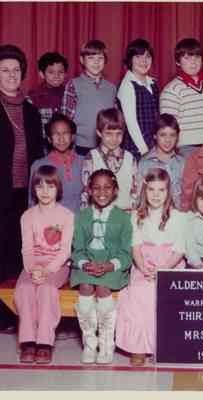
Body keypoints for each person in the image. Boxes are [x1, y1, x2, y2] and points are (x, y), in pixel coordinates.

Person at [115, 168, 186, 366]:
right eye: (151, 190)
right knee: (140, 293)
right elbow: (136, 247)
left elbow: (179, 249)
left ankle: (161, 346)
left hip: (170, 266)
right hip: (145, 266)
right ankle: (138, 347)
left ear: (168, 192)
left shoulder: (178, 217)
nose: (156, 195)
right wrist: (143, 267)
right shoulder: (137, 216)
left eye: (161, 190)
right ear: (144, 191)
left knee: (163, 295)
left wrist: (163, 270)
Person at [71, 169, 132, 364]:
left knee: (103, 288)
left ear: (115, 190)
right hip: (87, 265)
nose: (102, 192)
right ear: (89, 190)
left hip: (113, 267)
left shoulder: (124, 218)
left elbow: (126, 253)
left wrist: (109, 265)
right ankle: (90, 342)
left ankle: (106, 343)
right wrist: (85, 264)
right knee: (86, 286)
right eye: (96, 188)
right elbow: (77, 250)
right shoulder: (81, 216)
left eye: (107, 187)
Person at [14, 165, 74, 364]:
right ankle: (28, 342)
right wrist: (33, 269)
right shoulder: (27, 216)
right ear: (33, 189)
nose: (45, 192)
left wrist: (47, 270)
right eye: (40, 187)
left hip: (58, 265)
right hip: (33, 264)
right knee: (24, 288)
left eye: (50, 186)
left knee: (47, 289)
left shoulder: (67, 216)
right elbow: (27, 249)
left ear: (58, 188)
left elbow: (65, 251)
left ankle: (44, 343)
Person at [0, 44, 43, 295]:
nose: (11, 75)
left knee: (20, 246)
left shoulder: (31, 111)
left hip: (24, 190)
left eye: (16, 70)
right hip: (1, 188)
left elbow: (37, 154)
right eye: (5, 70)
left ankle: (16, 304)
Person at [160, 38, 203, 158]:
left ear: (202, 60)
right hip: (184, 149)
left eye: (197, 57)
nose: (193, 62)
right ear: (178, 62)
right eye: (187, 58)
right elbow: (168, 127)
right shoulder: (172, 90)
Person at [61, 39, 116, 157]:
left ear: (105, 61)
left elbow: (114, 121)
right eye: (91, 58)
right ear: (82, 60)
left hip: (106, 146)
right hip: (80, 147)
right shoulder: (73, 85)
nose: (96, 62)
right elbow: (66, 119)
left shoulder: (111, 88)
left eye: (100, 58)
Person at [81, 108, 138, 211]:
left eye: (118, 134)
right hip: (99, 216)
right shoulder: (92, 157)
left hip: (126, 215)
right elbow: (86, 192)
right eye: (109, 134)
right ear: (99, 132)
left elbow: (135, 192)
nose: (114, 139)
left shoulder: (130, 158)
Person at [29, 113, 83, 212]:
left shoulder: (85, 162)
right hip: (51, 220)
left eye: (65, 133)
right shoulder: (38, 165)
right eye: (56, 134)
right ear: (49, 139)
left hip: (81, 219)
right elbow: (32, 204)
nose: (61, 138)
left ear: (72, 137)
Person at [117, 38, 159, 160]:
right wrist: (144, 151)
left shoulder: (153, 83)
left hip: (153, 146)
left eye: (147, 56)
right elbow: (131, 123)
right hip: (136, 149)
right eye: (138, 57)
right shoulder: (127, 85)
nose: (144, 61)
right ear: (130, 60)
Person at [137, 113, 185, 209]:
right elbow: (139, 197)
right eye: (163, 135)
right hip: (152, 213)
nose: (168, 140)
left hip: (177, 213)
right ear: (155, 136)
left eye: (172, 135)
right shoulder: (144, 163)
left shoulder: (182, 163)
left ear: (177, 137)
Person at [29, 51, 69, 145]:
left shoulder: (70, 95)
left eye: (60, 72)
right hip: (42, 144)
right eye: (51, 72)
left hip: (65, 144)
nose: (56, 76)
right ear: (42, 74)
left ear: (65, 74)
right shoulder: (32, 97)